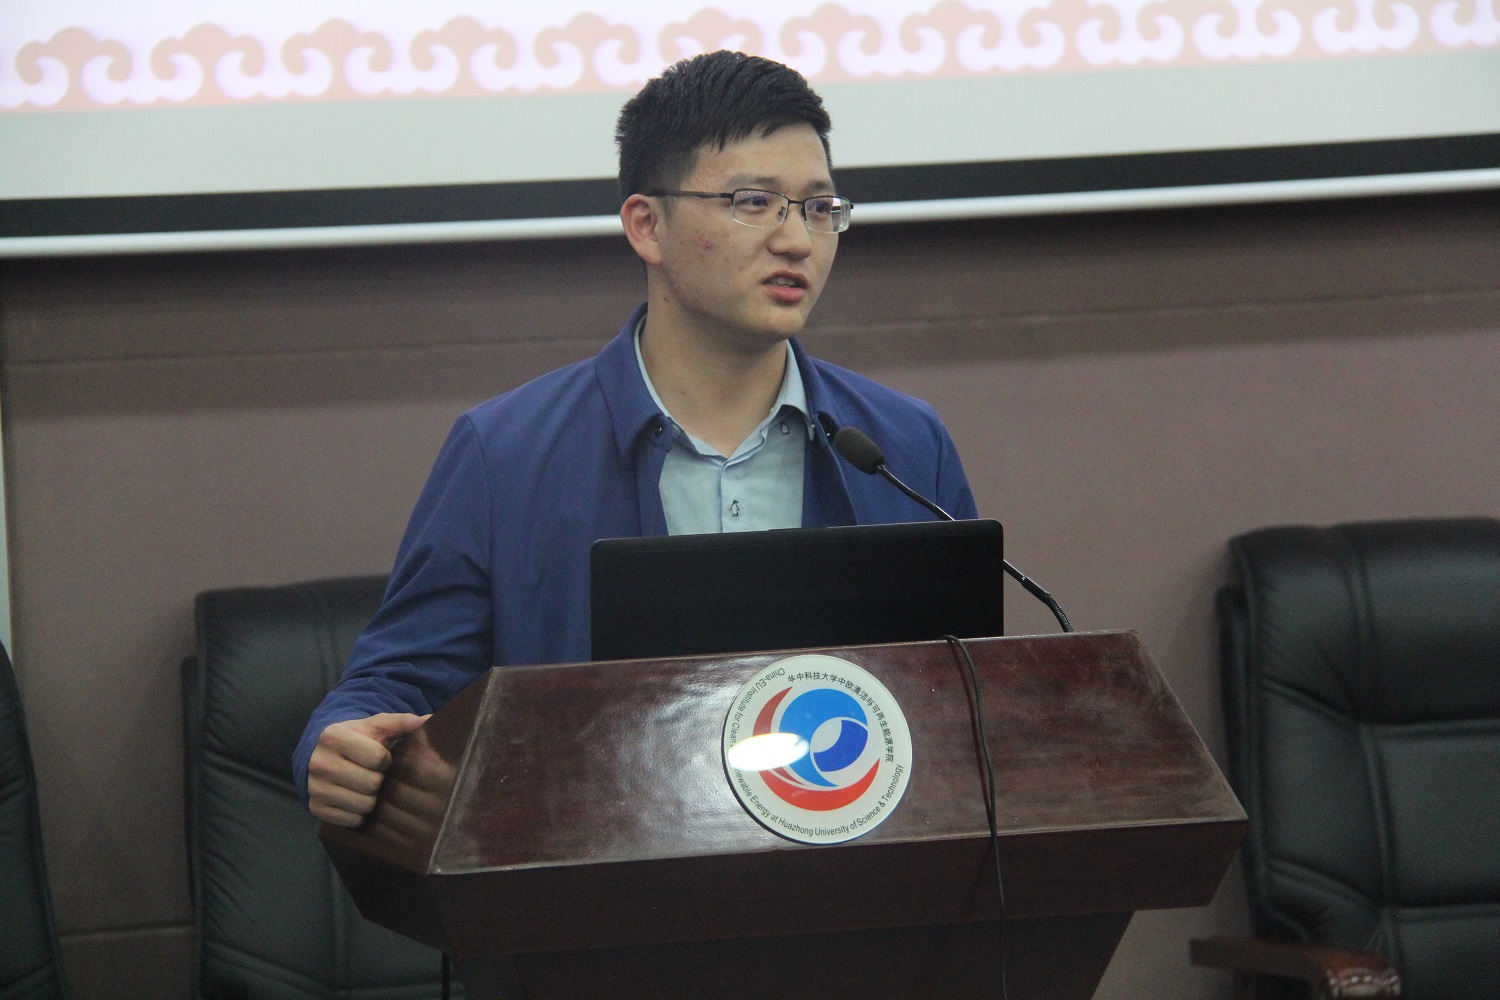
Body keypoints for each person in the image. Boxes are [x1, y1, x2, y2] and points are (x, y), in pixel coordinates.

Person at [296, 50, 978, 827]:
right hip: (590, 869)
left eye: (820, 207)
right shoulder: (505, 453)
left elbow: (969, 700)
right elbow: (391, 689)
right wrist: (338, 744)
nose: (797, 240)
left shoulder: (900, 444)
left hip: (853, 873)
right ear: (646, 225)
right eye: (754, 202)